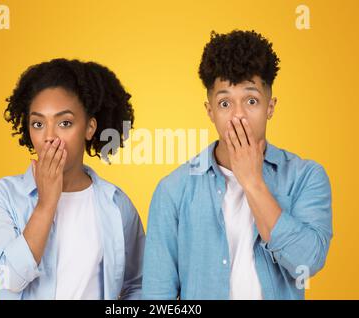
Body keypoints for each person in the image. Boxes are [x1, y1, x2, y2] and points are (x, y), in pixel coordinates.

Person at [142, 30, 333, 300]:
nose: (238, 115)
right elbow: (157, 295)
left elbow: (308, 261)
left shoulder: (305, 176)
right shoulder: (173, 189)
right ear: (210, 111)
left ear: (270, 107)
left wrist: (252, 181)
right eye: (225, 103)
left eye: (251, 100)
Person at [0, 58, 145, 299]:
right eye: (38, 123)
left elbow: (137, 285)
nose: (49, 137)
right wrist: (46, 204)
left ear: (89, 128)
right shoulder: (0, 196)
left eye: (64, 123)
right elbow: (9, 279)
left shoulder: (117, 204)